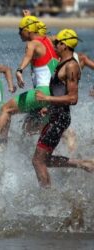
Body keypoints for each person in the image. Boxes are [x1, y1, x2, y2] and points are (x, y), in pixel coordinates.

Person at [0, 16, 58, 152]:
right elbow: (39, 30)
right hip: (54, 94)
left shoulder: (32, 43)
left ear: (27, 30)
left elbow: (27, 56)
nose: (19, 33)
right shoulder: (48, 41)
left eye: (20, 30)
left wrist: (19, 70)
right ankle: (15, 148)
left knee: (5, 109)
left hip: (42, 93)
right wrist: (28, 17)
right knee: (27, 128)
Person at [32, 29, 94, 187]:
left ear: (64, 45)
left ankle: (47, 199)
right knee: (44, 160)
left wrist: (47, 98)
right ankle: (84, 164)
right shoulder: (61, 63)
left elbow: (73, 98)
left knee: (38, 161)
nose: (53, 46)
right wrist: (50, 107)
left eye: (56, 43)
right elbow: (61, 92)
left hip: (60, 118)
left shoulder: (71, 66)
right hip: (56, 115)